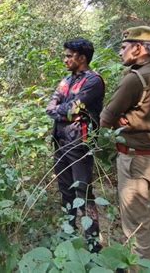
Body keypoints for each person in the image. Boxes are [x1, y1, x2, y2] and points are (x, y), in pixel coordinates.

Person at [100, 26, 150, 258]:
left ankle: (138, 266)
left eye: (123, 48)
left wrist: (123, 121)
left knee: (135, 226)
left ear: (138, 48)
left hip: (133, 159)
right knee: (141, 215)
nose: (120, 53)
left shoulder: (136, 79)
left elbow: (105, 118)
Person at [46, 38, 105, 253]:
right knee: (65, 191)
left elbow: (74, 107)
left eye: (69, 56)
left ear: (82, 58)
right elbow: (51, 106)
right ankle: (68, 235)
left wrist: (64, 109)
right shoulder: (66, 80)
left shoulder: (94, 81)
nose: (65, 60)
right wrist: (64, 110)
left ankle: (93, 245)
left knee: (84, 192)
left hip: (80, 145)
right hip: (60, 142)